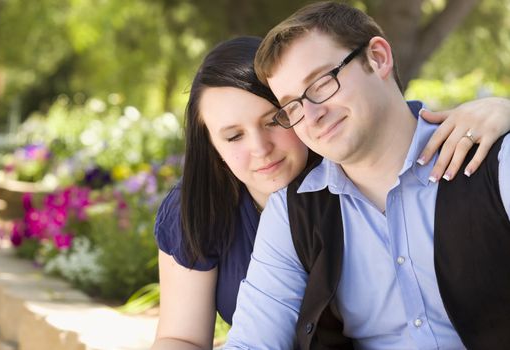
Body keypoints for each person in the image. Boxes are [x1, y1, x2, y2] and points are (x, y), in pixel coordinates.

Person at [151, 35, 510, 349]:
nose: (260, 148)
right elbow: (189, 338)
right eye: (233, 136)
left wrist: (501, 108)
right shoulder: (209, 207)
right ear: (212, 146)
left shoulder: (349, 176)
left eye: (274, 120)